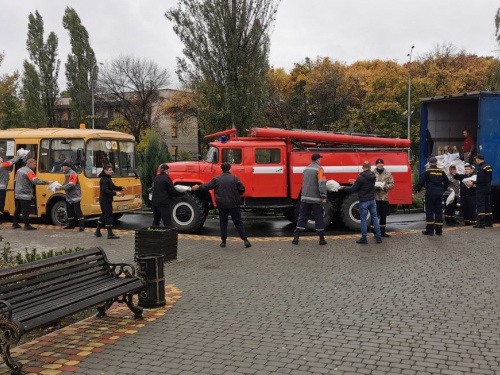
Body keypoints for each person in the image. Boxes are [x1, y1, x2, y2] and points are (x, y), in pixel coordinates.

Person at [192, 163, 251, 248]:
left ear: (222, 169)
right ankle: (245, 240)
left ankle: (223, 241)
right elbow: (242, 189)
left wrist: (198, 186)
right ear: (230, 169)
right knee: (238, 222)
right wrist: (238, 193)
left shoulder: (217, 179)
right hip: (234, 204)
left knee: (223, 223)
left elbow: (207, 186)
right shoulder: (234, 178)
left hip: (222, 205)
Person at [339, 161, 382, 244]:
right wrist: (356, 182)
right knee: (375, 218)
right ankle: (378, 237)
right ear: (370, 167)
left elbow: (353, 189)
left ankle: (364, 238)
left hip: (364, 201)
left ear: (363, 167)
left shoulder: (361, 177)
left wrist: (343, 187)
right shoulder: (373, 175)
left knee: (363, 220)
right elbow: (366, 183)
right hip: (372, 200)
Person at [290, 153, 327, 246]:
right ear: (318, 160)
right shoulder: (319, 169)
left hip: (305, 198)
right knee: (319, 217)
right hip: (315, 199)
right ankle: (321, 239)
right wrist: (323, 196)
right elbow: (321, 183)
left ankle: (296, 237)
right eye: (320, 159)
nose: (320, 160)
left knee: (302, 217)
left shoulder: (306, 169)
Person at [415, 157, 451, 236]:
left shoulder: (427, 171)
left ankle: (430, 231)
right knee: (438, 212)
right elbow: (447, 182)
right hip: (439, 194)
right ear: (436, 163)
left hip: (430, 193)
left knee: (430, 212)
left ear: (429, 163)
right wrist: (443, 190)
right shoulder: (441, 171)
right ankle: (439, 231)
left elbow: (421, 182)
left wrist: (418, 189)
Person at [13, 158, 50, 230]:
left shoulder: (19, 170)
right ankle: (26, 225)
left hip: (18, 193)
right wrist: (48, 182)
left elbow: (15, 180)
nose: (35, 166)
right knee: (26, 210)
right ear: (30, 163)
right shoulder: (29, 171)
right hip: (25, 194)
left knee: (18, 209)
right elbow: (35, 181)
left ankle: (15, 224)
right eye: (34, 164)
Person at [95, 165, 126, 239]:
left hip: (106, 200)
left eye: (111, 170)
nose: (111, 171)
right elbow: (105, 190)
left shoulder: (108, 178)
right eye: (110, 170)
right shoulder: (104, 180)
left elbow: (113, 187)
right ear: (105, 171)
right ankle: (110, 234)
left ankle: (97, 231)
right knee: (108, 216)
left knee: (104, 215)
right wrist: (115, 193)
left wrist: (121, 188)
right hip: (105, 201)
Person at [55, 161, 85, 231]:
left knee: (77, 210)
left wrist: (61, 188)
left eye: (62, 166)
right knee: (69, 210)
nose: (61, 168)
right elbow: (66, 183)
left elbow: (72, 184)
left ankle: (82, 225)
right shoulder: (67, 174)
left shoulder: (72, 173)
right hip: (69, 196)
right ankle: (71, 224)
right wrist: (59, 186)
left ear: (66, 167)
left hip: (75, 196)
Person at [371, 158, 395, 237]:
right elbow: (368, 183)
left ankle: (383, 232)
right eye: (378, 163)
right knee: (375, 216)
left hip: (384, 198)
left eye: (381, 163)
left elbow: (392, 184)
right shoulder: (372, 173)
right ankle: (375, 232)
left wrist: (384, 187)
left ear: (383, 164)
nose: (379, 165)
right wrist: (374, 186)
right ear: (376, 165)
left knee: (383, 215)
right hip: (375, 197)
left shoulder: (388, 173)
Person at [472, 154, 493, 228]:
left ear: (478, 159)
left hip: (481, 189)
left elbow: (480, 179)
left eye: (476, 159)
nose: (476, 161)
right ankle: (489, 222)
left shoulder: (481, 168)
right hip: (488, 188)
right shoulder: (488, 167)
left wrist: (474, 182)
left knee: (480, 205)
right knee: (487, 205)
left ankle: (481, 223)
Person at [0, 155, 20, 224]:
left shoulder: (2, 167)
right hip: (1, 188)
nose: (2, 161)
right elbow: (11, 162)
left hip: (3, 187)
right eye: (1, 160)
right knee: (1, 204)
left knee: (1, 204)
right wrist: (19, 156)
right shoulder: (1, 166)